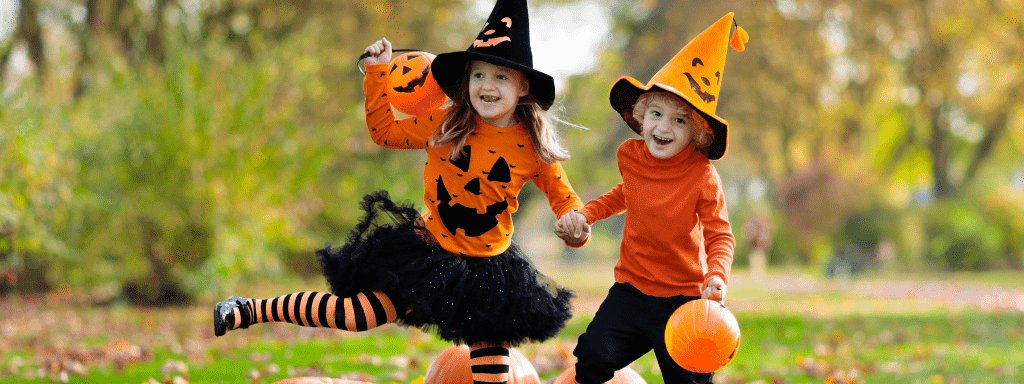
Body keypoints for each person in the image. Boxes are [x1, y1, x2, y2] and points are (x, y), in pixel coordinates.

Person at [213, 1, 585, 383]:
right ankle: (248, 309)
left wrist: (575, 224)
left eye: (501, 78)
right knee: (357, 315)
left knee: (491, 371)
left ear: (523, 86)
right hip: (428, 252)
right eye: (479, 76)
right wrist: (376, 74)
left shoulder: (531, 147)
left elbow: (564, 199)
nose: (487, 86)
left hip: (487, 273)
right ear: (466, 80)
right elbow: (385, 131)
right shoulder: (445, 123)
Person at [555, 13, 748, 384]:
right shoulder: (630, 156)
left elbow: (720, 235)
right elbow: (626, 194)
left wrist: (717, 277)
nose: (663, 127)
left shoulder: (702, 176)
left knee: (690, 378)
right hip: (630, 292)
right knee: (592, 357)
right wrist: (587, 214)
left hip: (684, 302)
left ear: (698, 133)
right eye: (656, 114)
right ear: (641, 118)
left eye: (679, 120)